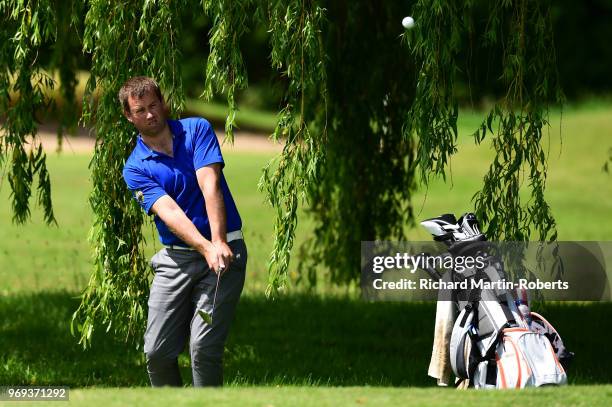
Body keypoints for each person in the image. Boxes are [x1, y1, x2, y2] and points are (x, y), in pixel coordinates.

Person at [119, 76, 247, 387]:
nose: (150, 115)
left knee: (202, 348)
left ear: (163, 103)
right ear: (129, 116)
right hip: (176, 260)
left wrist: (217, 242)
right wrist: (205, 248)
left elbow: (209, 183)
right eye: (140, 110)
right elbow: (169, 212)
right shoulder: (135, 168)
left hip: (226, 251)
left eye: (153, 105)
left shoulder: (196, 129)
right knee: (157, 353)